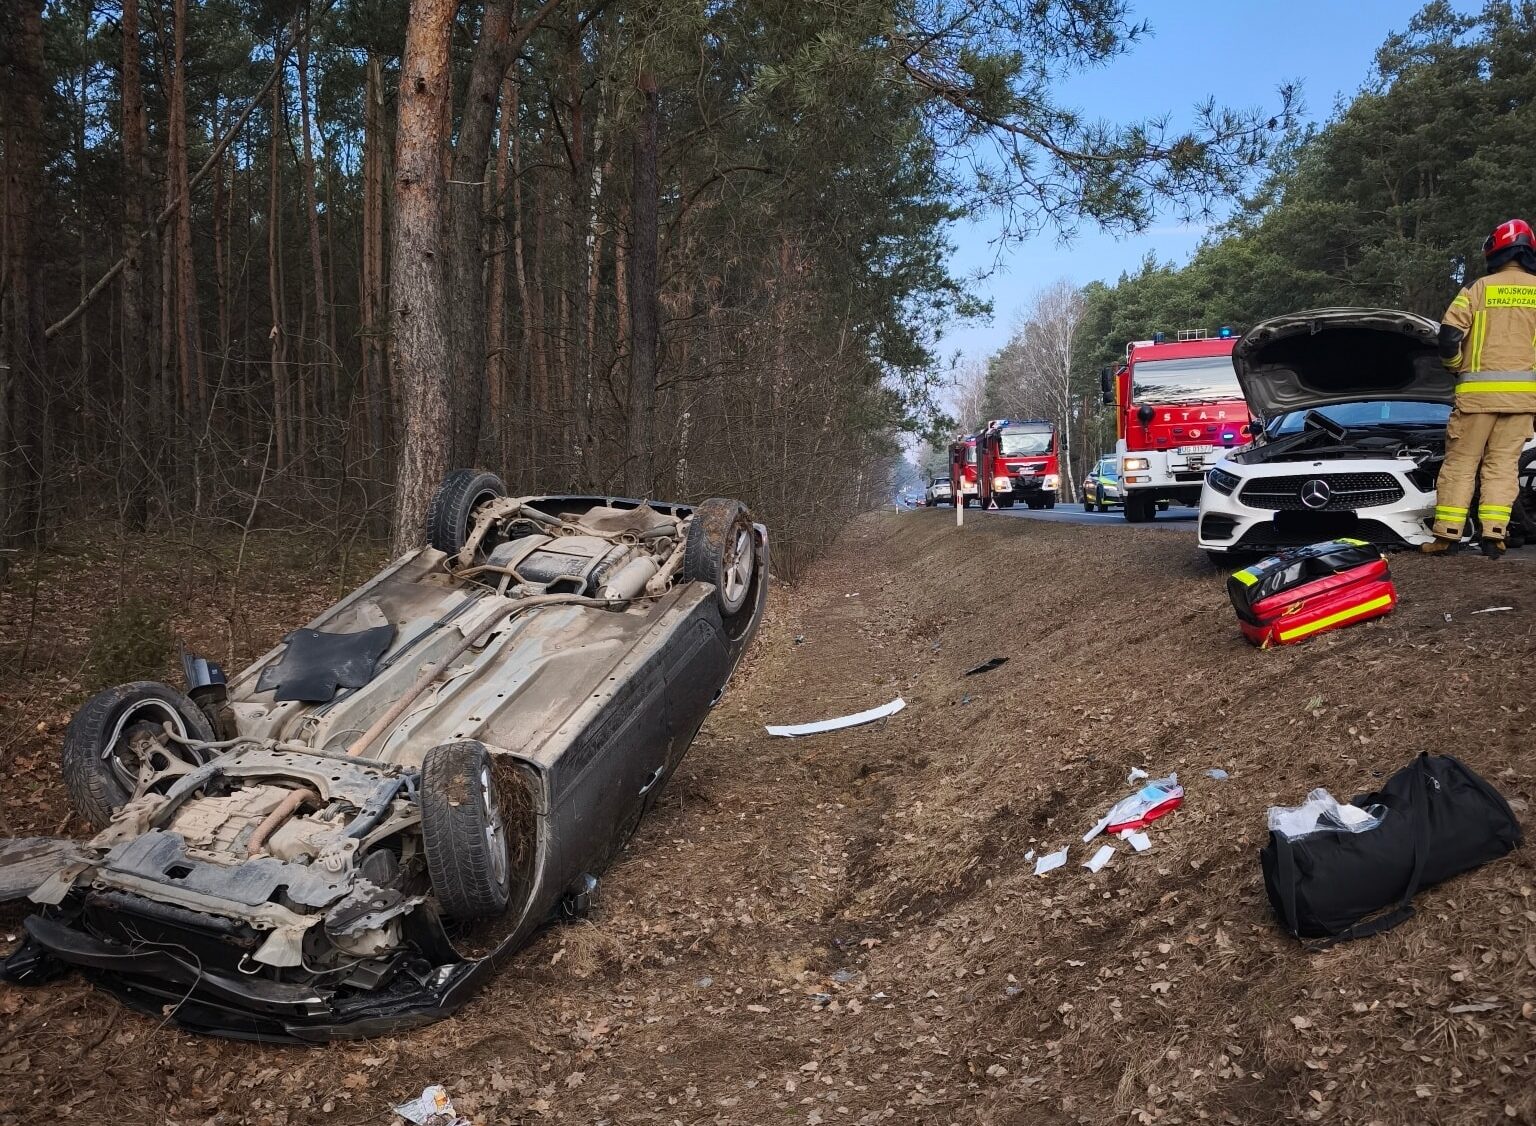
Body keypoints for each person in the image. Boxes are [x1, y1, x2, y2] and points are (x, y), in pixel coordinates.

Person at [1424, 219, 1536, 558]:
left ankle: (1447, 537)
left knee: (1461, 464)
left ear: (1495, 250)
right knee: (1503, 466)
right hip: (1522, 402)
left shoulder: (1477, 289)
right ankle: (1494, 536)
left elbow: (1449, 336)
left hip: (1476, 399)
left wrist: (1455, 365)